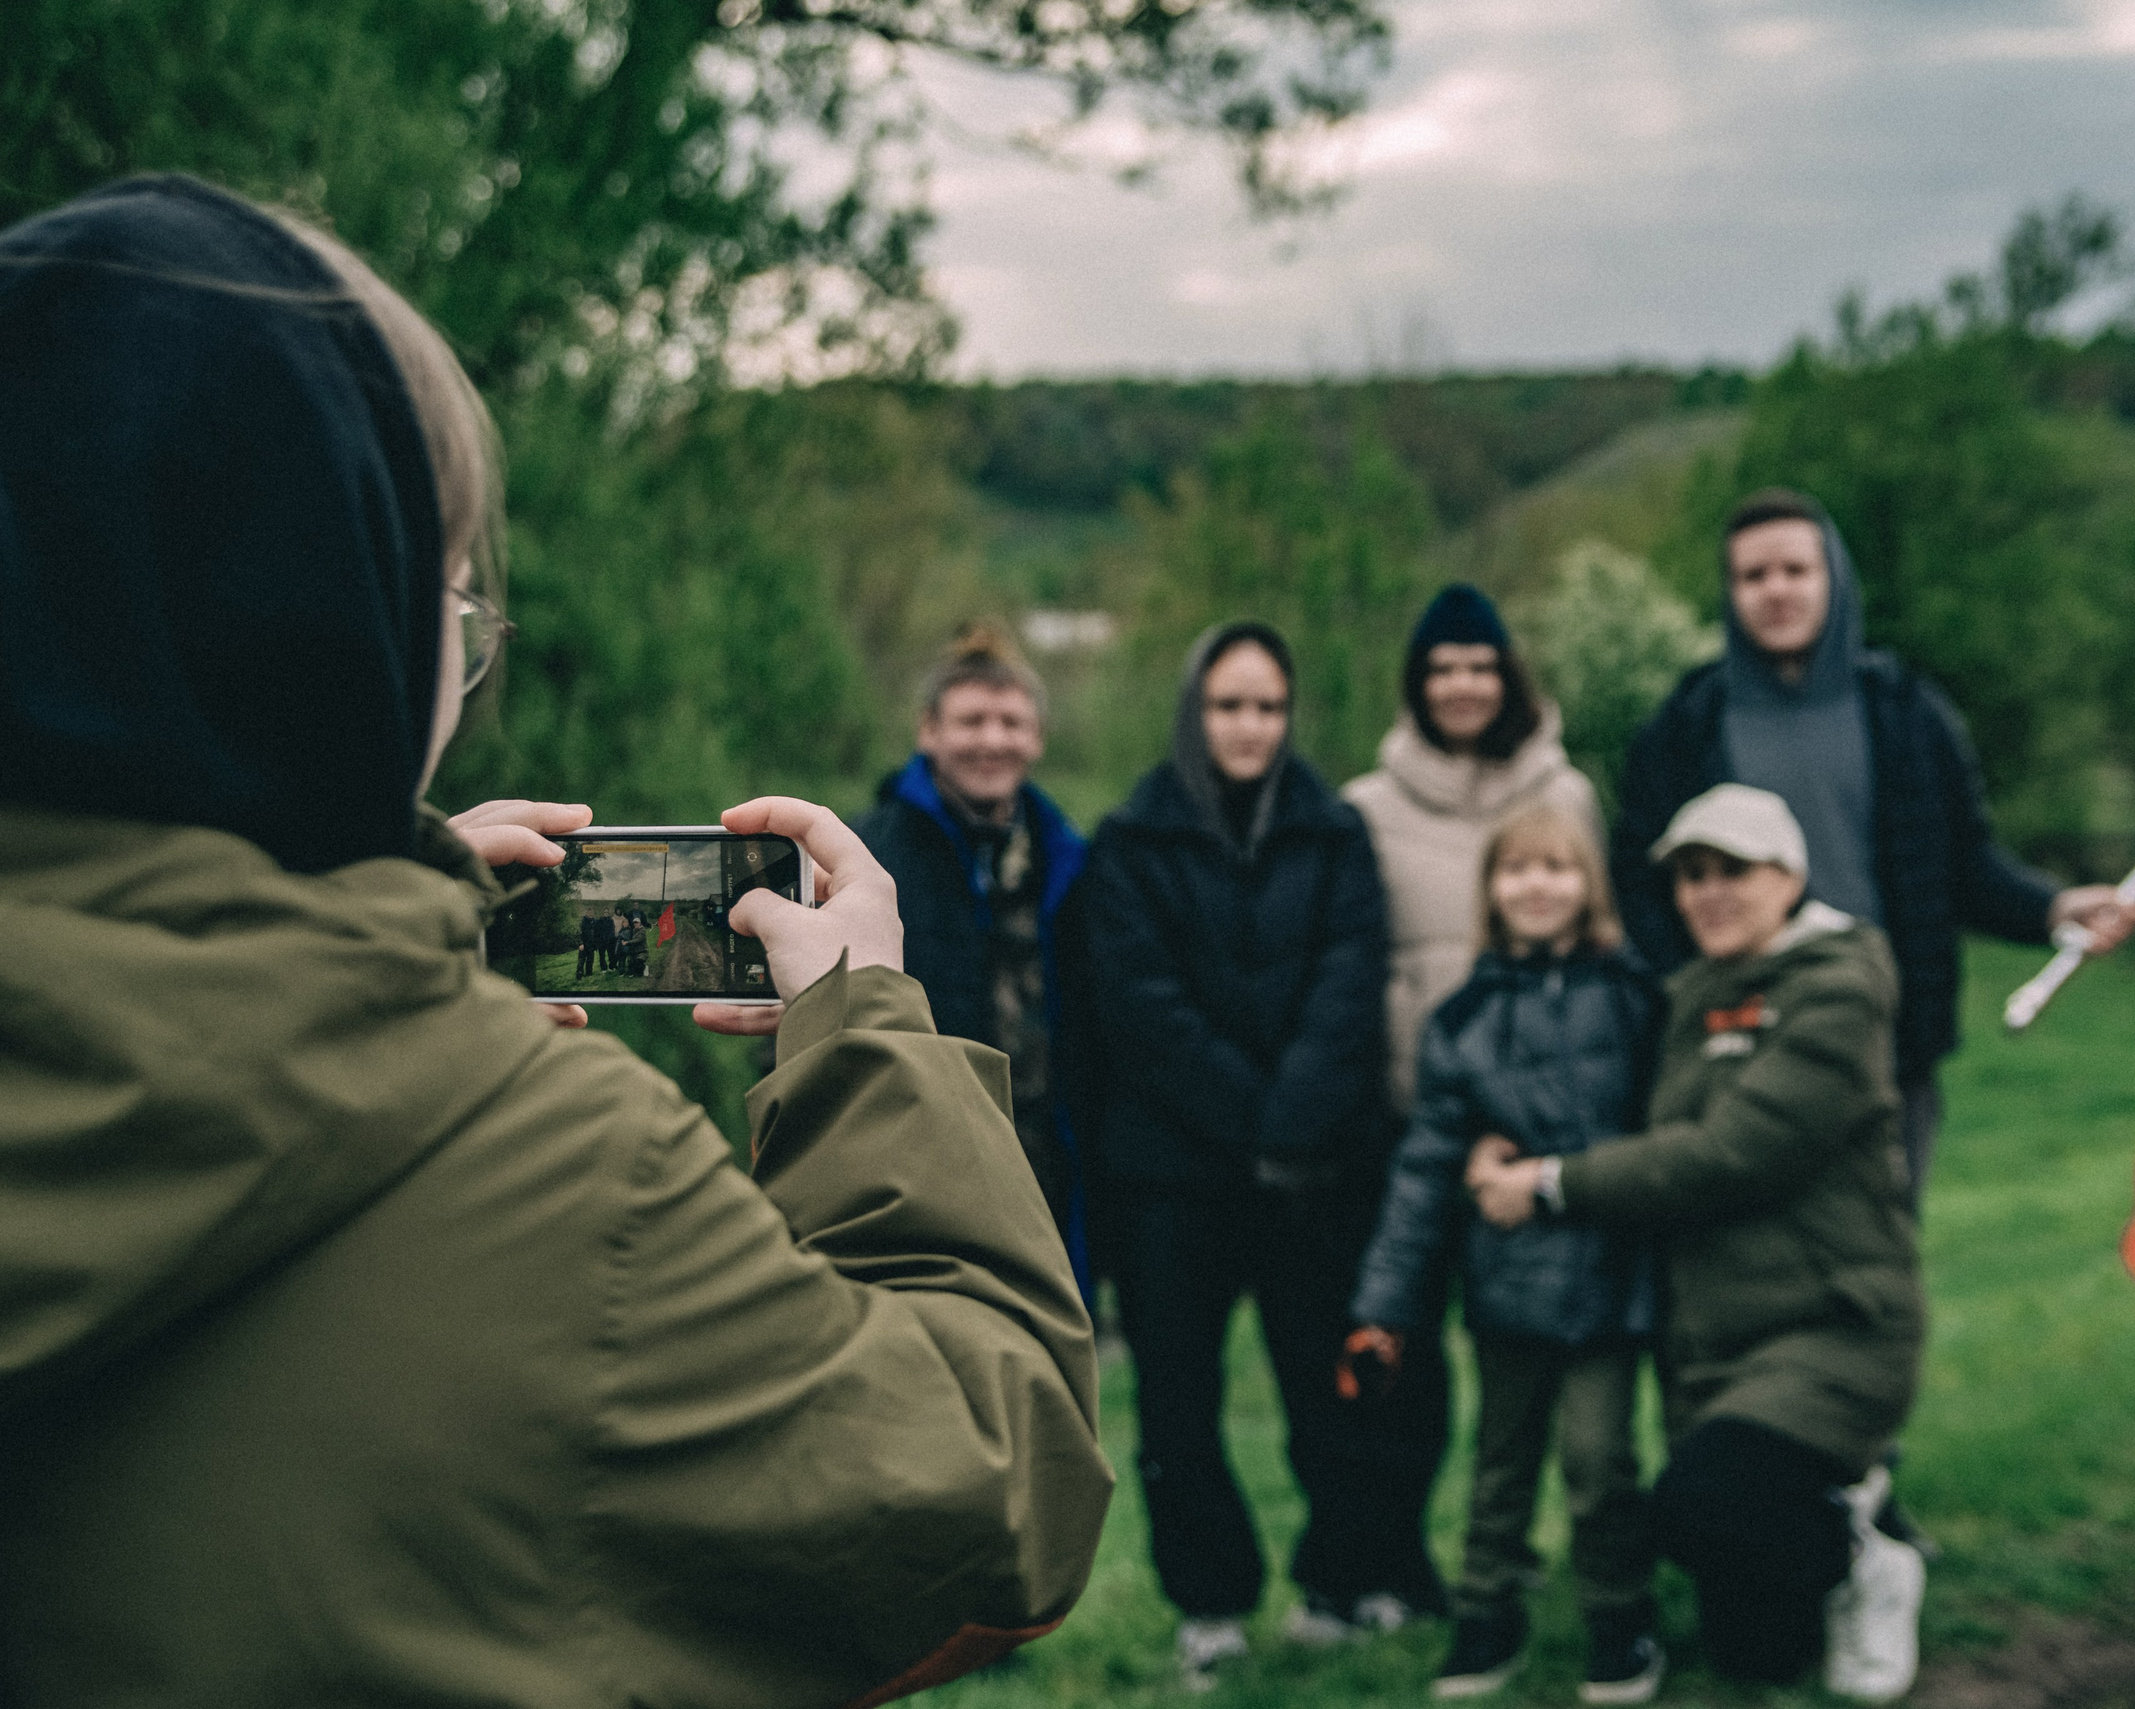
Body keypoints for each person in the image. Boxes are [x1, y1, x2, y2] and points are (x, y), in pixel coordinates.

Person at [0, 175, 1111, 1708]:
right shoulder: (565, 1187)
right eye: (451, 614)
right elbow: (994, 1504)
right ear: (344, 635)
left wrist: (367, 941)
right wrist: (870, 1036)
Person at [1473, 785, 1926, 1702]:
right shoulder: (1683, 995)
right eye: (1690, 875)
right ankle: (1830, 1512)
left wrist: (1550, 1182)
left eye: (1733, 872)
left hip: (1829, 1323)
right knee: (1755, 1654)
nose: (1708, 894)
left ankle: (1869, 1555)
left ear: (1789, 878)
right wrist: (1494, 1137)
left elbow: (1729, 1155)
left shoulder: (1838, 990)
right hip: (1711, 1347)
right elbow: (1599, 1094)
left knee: (1700, 1502)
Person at [1085, 621, 1446, 1690]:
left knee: (1330, 1394)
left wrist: (1290, 1120)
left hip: (1314, 1170)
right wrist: (1252, 1113)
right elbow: (1140, 1005)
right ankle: (1210, 1605)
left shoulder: (1334, 834)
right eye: (1228, 705)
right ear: (1194, 712)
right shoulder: (1130, 842)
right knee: (1178, 1407)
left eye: (1268, 706)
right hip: (1170, 1176)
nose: (1249, 726)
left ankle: (1340, 1583)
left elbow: (1350, 978)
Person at [1610, 490, 2135, 1205]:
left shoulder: (1905, 713)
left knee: (1874, 1251)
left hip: (1884, 1047)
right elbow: (1640, 889)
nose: (1776, 590)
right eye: (1753, 575)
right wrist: (1688, 996)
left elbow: (1963, 866)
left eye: (1795, 570)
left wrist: (2052, 908)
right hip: (1736, 1051)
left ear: (1833, 578)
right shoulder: (1686, 725)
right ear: (1730, 593)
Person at [1346, 804, 1664, 1705]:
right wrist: (1383, 1305)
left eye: (1557, 867)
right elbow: (1425, 1168)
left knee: (1600, 1462)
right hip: (1507, 1283)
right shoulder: (1464, 1020)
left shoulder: (1636, 997)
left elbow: (1667, 1129)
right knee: (1500, 1465)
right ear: (1490, 889)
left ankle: (1619, 1617)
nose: (1537, 885)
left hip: (1610, 1277)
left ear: (1589, 884)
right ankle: (1486, 1614)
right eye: (1517, 869)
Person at [852, 624, 1093, 1293]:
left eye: (1011, 722)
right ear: (928, 731)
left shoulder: (1070, 859)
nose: (993, 740)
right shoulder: (866, 854)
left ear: (1037, 738)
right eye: (972, 720)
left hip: (1043, 1161)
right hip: (915, 1156)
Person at [1343, 583, 1603, 1109]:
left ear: (1509, 677)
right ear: (1417, 683)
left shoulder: (1565, 795)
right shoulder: (1366, 809)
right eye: (1442, 669)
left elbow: (1599, 938)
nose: (1462, 686)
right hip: (1412, 1094)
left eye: (1481, 668)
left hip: (1550, 1092)